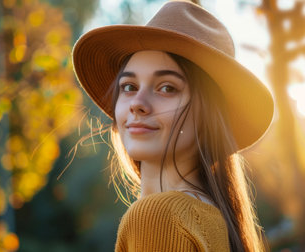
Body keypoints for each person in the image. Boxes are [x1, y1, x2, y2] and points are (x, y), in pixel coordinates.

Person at [72, 1, 274, 251]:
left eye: (167, 88)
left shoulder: (157, 216)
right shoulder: (214, 220)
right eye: (129, 87)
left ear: (206, 115)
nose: (137, 103)